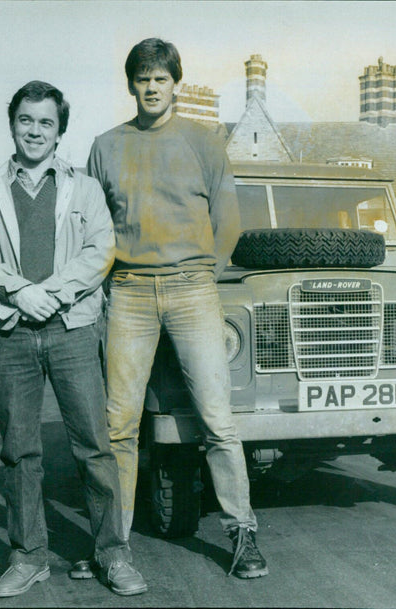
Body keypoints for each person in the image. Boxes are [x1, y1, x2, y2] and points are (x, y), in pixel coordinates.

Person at [87, 38, 268, 578]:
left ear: (176, 84)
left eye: (161, 78)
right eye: (142, 78)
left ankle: (243, 534)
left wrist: (202, 277)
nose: (151, 87)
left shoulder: (204, 141)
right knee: (119, 426)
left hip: (192, 289)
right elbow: (93, 228)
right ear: (131, 85)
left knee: (218, 420)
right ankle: (112, 544)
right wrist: (106, 284)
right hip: (131, 293)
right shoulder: (105, 146)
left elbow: (228, 222)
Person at [0, 81, 147, 597]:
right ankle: (28, 556)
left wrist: (52, 293)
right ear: (13, 124)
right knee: (20, 451)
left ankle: (113, 553)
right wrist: (20, 294)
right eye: (26, 120)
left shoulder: (83, 188)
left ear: (59, 130)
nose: (35, 130)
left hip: (73, 330)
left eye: (45, 122)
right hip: (12, 336)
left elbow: (100, 249)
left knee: (94, 445)